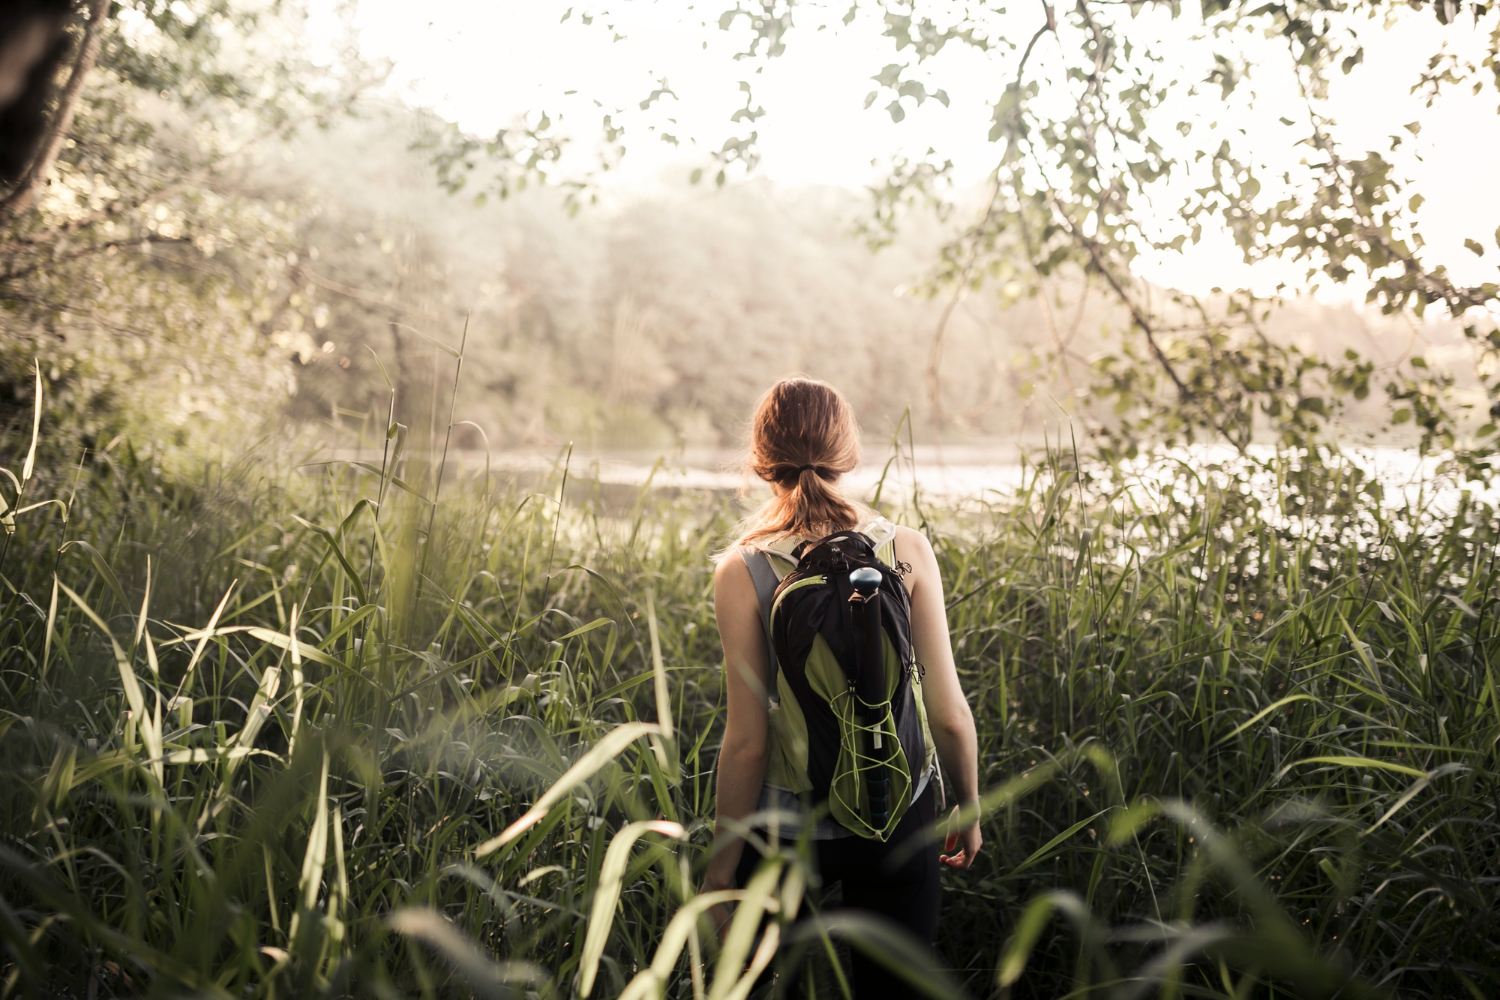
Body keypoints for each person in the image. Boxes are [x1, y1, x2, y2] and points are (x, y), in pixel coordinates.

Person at [702, 376, 982, 998]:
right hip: (899, 813)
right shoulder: (904, 549)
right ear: (847, 454)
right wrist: (967, 804)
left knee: (773, 987)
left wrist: (721, 871)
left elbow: (746, 741)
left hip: (784, 826)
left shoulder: (742, 570)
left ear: (759, 461)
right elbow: (950, 713)